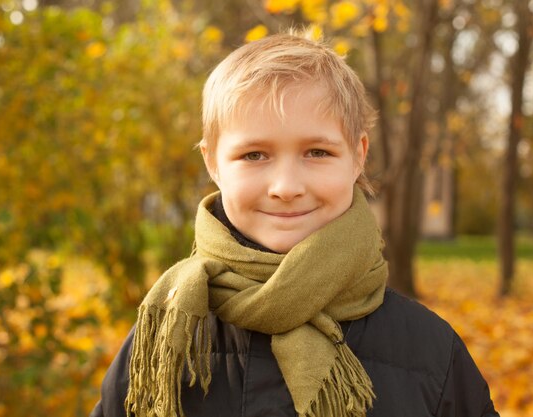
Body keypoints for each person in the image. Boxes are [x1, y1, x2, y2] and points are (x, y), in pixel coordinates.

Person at [90, 32, 499, 417]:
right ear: (212, 162)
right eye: (254, 155)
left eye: (317, 152)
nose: (286, 187)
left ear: (358, 156)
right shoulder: (162, 342)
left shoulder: (431, 353)